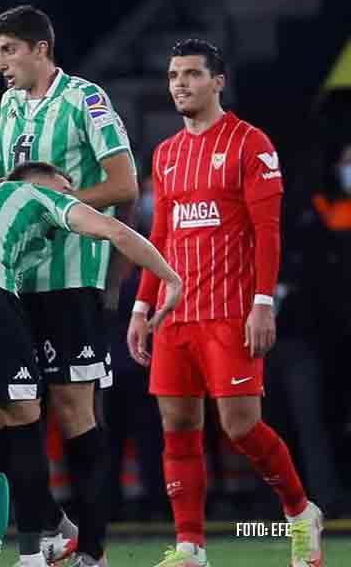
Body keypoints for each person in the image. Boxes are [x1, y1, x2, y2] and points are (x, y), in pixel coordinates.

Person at [0, 6, 138, 565]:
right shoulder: (9, 108)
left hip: (71, 279)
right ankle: (49, 522)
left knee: (73, 411)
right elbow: (10, 192)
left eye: (9, 51)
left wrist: (55, 210)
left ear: (41, 48)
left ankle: (91, 550)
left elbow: (124, 185)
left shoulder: (84, 100)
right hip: (13, 282)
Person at [0, 160, 180, 567]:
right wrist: (170, 278)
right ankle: (34, 554)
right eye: (64, 182)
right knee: (24, 421)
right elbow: (116, 230)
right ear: (38, 182)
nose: (69, 188)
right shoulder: (34, 193)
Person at [126, 39, 324, 567]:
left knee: (239, 426)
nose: (180, 84)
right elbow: (159, 238)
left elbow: (268, 232)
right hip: (175, 315)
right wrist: (142, 310)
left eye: (192, 74)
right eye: (173, 76)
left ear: (218, 81)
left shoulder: (250, 143)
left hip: (231, 312)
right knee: (178, 427)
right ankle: (190, 546)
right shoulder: (166, 155)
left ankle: (300, 511)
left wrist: (263, 303)